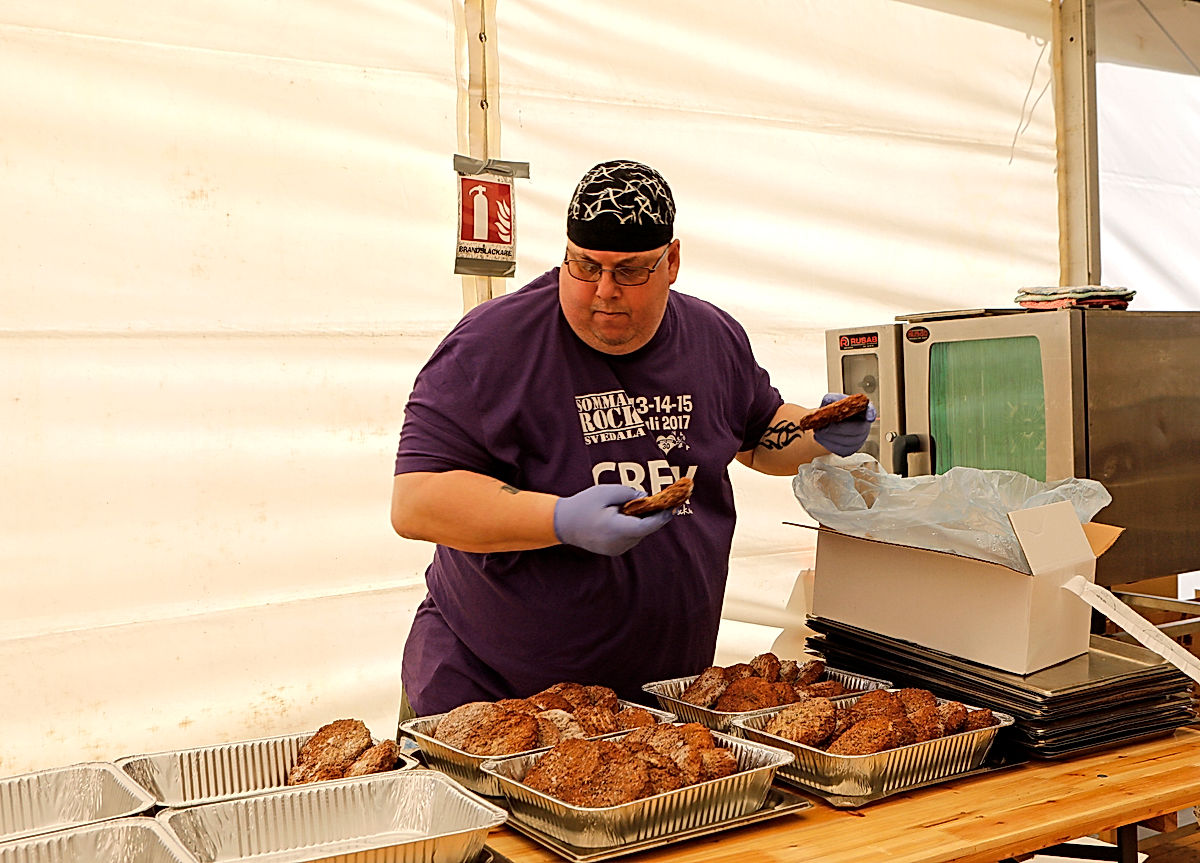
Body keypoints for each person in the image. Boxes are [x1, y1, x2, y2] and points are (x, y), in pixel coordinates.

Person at [391, 159, 874, 719]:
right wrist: (560, 520)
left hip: (656, 705)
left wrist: (817, 434)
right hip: (492, 699)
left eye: (629, 271)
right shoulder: (490, 346)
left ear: (671, 261)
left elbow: (758, 439)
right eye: (585, 265)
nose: (604, 291)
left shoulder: (712, 338)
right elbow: (417, 502)